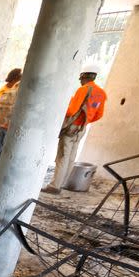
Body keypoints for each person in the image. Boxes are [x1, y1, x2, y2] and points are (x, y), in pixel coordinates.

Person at [42, 64, 107, 194]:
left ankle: (54, 186)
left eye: (80, 77)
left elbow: (71, 110)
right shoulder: (101, 93)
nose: (79, 80)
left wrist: (62, 110)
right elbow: (99, 115)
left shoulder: (83, 90)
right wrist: (85, 121)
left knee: (63, 156)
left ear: (84, 76)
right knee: (71, 157)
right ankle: (61, 183)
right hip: (82, 129)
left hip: (72, 127)